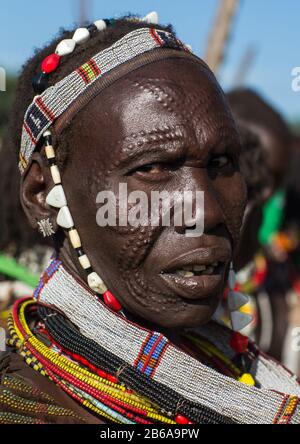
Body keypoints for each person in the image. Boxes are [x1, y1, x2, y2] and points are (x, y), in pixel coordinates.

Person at [0, 15, 299, 425]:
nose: (206, 211)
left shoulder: (251, 376)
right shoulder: (22, 403)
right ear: (42, 195)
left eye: (221, 163)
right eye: (155, 168)